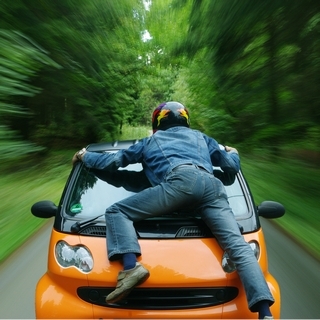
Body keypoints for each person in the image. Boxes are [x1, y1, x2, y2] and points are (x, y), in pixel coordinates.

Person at [72, 101, 274, 319]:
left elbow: (115, 163)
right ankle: (265, 313)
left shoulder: (151, 141)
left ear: (157, 123)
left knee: (116, 212)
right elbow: (231, 167)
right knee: (239, 248)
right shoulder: (202, 138)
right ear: (185, 120)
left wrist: (85, 156)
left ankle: (131, 267)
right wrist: (234, 153)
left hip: (180, 183)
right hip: (213, 187)